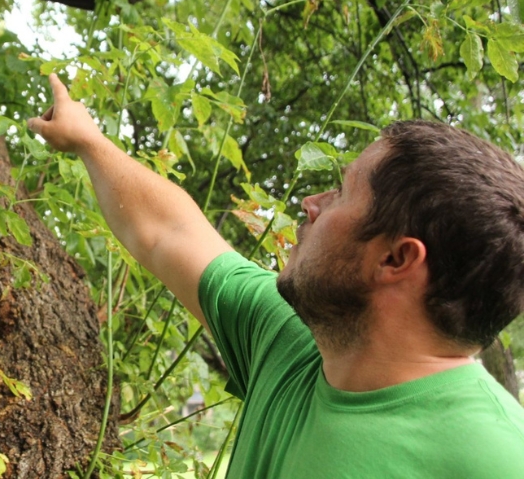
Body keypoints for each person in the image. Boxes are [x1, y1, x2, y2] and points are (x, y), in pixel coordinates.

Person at [27, 74, 524, 478]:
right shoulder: (288, 340)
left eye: (341, 194)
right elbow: (169, 232)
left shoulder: (495, 458)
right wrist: (88, 141)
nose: (312, 204)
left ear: (396, 260)